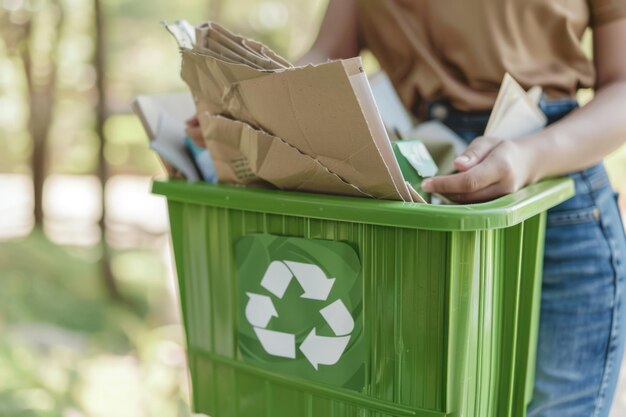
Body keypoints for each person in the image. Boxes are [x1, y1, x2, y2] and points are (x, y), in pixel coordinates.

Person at [293, 1, 626, 416]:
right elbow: (330, 56)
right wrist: (258, 101)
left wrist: (530, 157)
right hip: (413, 185)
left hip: (554, 191)